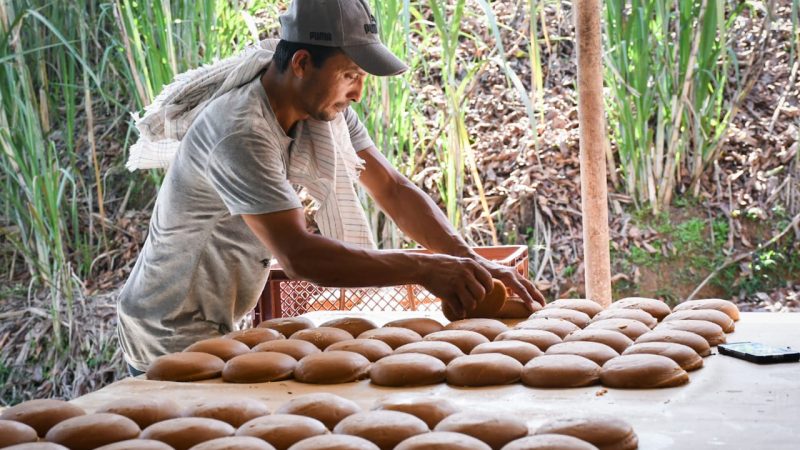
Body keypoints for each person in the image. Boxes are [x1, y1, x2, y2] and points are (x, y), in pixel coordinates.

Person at [117, 0, 545, 375]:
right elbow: (299, 255)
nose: (357, 93)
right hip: (167, 329)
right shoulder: (241, 133)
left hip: (220, 320)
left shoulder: (322, 111)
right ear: (301, 63)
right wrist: (424, 269)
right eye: (350, 74)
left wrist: (469, 260)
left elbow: (392, 188)